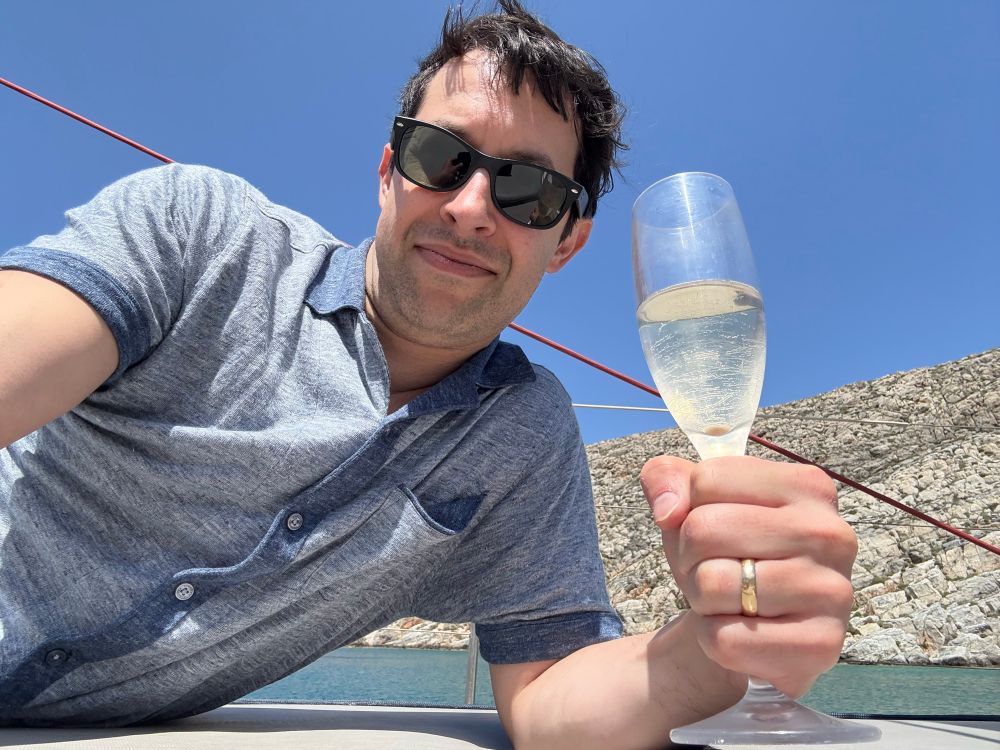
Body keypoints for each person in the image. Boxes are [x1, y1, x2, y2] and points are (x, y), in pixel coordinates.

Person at [0, 1, 857, 746]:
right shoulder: (200, 236)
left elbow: (550, 702)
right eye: (441, 156)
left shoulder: (519, 438)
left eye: (529, 192)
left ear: (567, 241)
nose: (472, 207)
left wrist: (710, 643)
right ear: (388, 171)